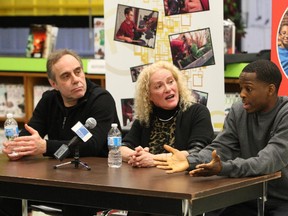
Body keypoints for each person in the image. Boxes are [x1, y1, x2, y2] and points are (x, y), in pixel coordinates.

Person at [154, 59, 288, 216]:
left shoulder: (285, 113)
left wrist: (223, 168)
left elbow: (267, 162)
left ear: (270, 90)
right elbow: (221, 148)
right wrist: (190, 160)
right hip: (248, 196)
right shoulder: (239, 110)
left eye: (248, 89)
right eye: (241, 88)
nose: (242, 94)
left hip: (283, 199)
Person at [2, 49, 121, 216]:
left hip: (94, 180)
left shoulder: (101, 100)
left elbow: (92, 145)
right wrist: (18, 147)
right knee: (7, 194)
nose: (76, 80)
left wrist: (44, 146)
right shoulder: (49, 100)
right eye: (66, 76)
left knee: (74, 203)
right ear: (53, 84)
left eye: (78, 71)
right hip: (58, 175)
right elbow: (30, 132)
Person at [120, 61, 214, 168]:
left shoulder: (198, 112)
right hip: (148, 181)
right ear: (148, 96)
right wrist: (136, 156)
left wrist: (154, 159)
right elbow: (122, 147)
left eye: (170, 82)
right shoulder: (146, 117)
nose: (168, 89)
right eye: (159, 86)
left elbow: (198, 151)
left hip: (185, 180)